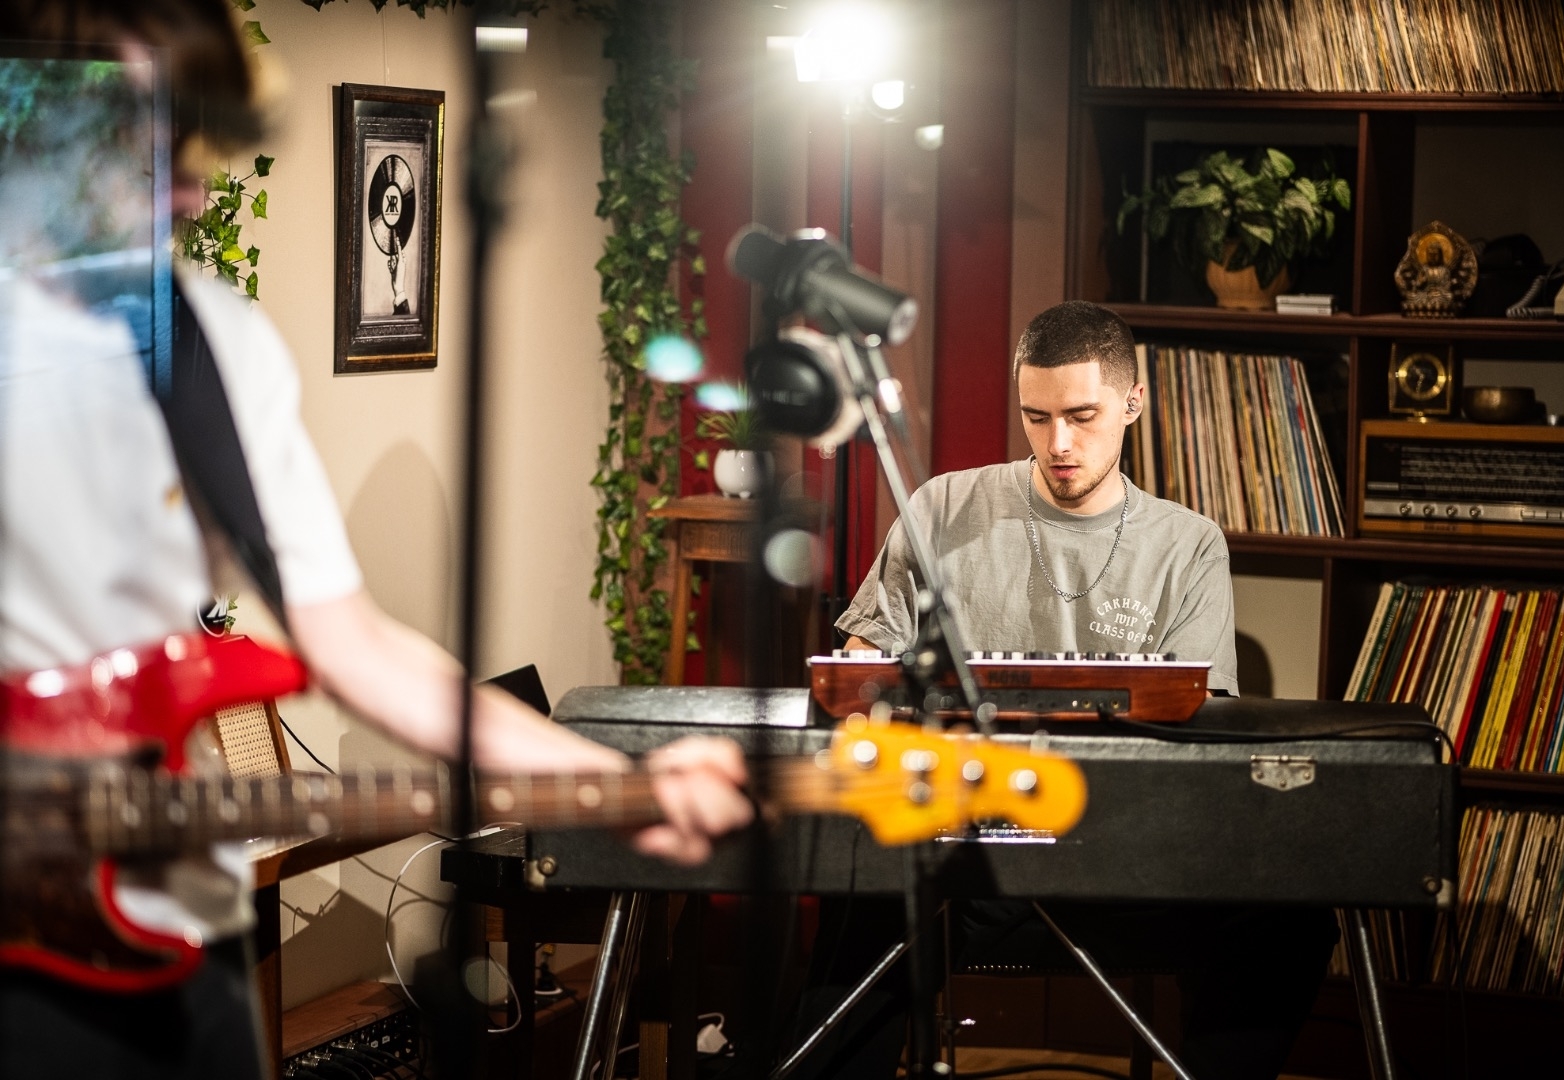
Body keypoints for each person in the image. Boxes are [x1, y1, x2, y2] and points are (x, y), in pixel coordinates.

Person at [0, 3, 751, 1077]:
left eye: (198, 144)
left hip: (166, 938)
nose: (192, 186)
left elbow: (356, 646)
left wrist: (609, 782)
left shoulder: (214, 343)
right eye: (151, 140)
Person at [785, 300, 1334, 1080]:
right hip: (959, 855)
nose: (1058, 444)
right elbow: (861, 668)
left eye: (1081, 416)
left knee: (1292, 917)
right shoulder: (942, 508)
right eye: (1036, 418)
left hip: (1115, 860)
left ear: (1133, 402)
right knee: (858, 877)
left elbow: (1195, 729)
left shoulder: (1188, 545)